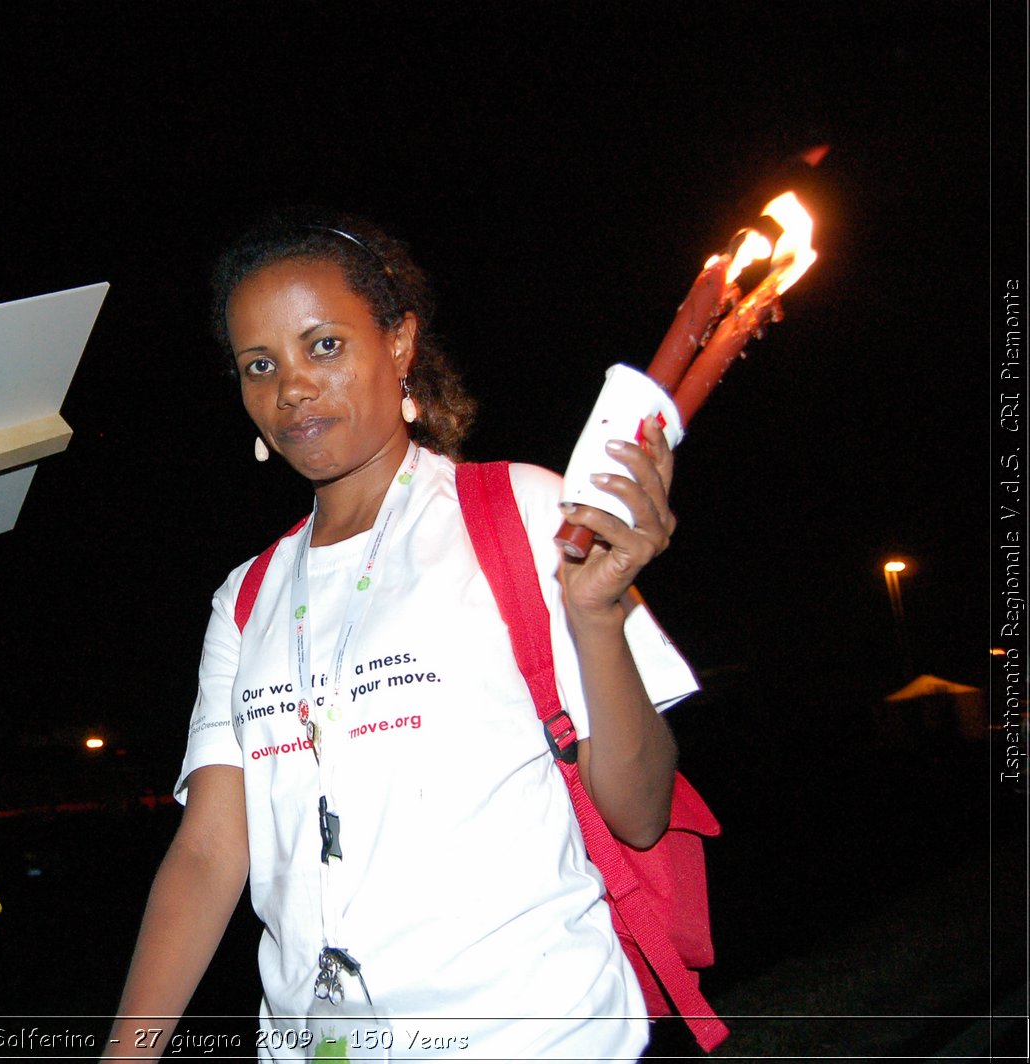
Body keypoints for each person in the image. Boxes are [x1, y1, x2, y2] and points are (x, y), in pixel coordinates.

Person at [108, 216, 698, 1061]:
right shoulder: (247, 599)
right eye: (260, 366)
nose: (292, 390)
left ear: (399, 344)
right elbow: (208, 852)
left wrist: (598, 620)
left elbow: (641, 817)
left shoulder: (525, 513)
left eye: (323, 346)